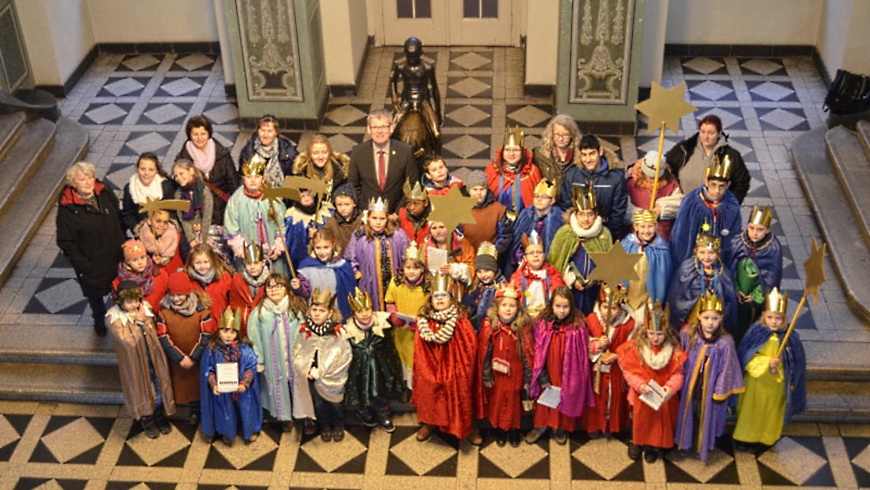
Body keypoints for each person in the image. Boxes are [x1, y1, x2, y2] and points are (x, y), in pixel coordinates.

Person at [56, 161, 126, 336]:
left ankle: (123, 321)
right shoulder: (68, 209)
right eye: (82, 179)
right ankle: (99, 321)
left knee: (120, 290)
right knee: (96, 295)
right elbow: (65, 241)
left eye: (90, 177)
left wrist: (123, 240)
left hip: (115, 253)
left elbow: (117, 214)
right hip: (91, 260)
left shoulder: (104, 191)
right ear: (74, 183)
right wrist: (83, 264)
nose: (88, 182)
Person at [675, 291, 744, 462]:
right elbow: (678, 355)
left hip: (710, 386)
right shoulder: (688, 334)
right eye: (706, 318)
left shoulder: (725, 342)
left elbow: (728, 368)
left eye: (714, 318)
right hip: (690, 384)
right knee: (687, 413)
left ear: (721, 319)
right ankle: (684, 443)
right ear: (698, 316)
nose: (710, 323)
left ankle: (702, 445)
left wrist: (720, 390)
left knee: (706, 416)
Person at [733, 288, 806, 449]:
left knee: (771, 412)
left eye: (778, 318)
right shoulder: (755, 332)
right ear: (764, 316)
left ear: (784, 319)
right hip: (756, 383)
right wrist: (766, 363)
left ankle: (766, 439)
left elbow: (795, 363)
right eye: (770, 317)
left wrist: (780, 367)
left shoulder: (790, 337)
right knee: (752, 410)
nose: (774, 322)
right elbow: (745, 356)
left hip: (776, 385)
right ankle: (745, 438)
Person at [413, 273, 481, 445]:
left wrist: (460, 370)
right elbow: (420, 350)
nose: (440, 299)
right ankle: (430, 423)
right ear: (431, 300)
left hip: (456, 367)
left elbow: (469, 346)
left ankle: (466, 426)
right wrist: (429, 371)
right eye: (436, 297)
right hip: (431, 367)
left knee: (459, 391)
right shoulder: (424, 322)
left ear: (451, 299)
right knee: (430, 391)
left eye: (444, 296)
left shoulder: (459, 320)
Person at [617, 301, 686, 463]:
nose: (655, 338)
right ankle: (637, 442)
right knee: (639, 420)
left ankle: (652, 446)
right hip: (641, 394)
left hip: (662, 397)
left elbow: (678, 374)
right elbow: (628, 372)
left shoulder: (673, 350)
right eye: (652, 333)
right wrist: (639, 385)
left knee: (656, 423)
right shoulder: (635, 348)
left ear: (666, 333)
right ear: (645, 332)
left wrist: (670, 389)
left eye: (660, 334)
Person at [526, 286, 595, 445]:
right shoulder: (542, 322)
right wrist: (542, 373)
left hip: (568, 370)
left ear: (571, 306)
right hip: (548, 368)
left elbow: (582, 354)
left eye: (565, 307)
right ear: (552, 305)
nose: (562, 311)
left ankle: (559, 427)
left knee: (564, 396)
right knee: (545, 395)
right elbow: (536, 349)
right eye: (558, 306)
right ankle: (540, 426)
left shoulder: (578, 326)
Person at [107, 280, 176, 438]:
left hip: (152, 358)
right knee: (144, 389)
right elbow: (128, 342)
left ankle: (159, 413)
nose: (133, 305)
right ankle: (148, 418)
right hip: (136, 363)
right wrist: (138, 322)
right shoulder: (115, 319)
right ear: (120, 302)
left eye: (136, 301)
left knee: (158, 387)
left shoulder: (146, 310)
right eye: (129, 302)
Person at [247, 274, 308, 432]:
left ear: (286, 288)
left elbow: (306, 332)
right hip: (274, 358)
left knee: (299, 385)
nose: (273, 290)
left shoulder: (297, 308)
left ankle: (304, 416)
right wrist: (259, 359)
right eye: (270, 287)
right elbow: (254, 337)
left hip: (294, 356)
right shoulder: (259, 313)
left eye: (278, 286)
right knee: (278, 386)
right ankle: (285, 416)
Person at [156, 272, 217, 427]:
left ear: (187, 293)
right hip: (178, 359)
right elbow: (163, 336)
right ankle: (190, 409)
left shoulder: (201, 310)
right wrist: (180, 357)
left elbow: (207, 334)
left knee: (198, 385)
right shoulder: (163, 312)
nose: (176, 299)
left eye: (180, 295)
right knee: (183, 387)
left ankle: (200, 410)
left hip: (197, 357)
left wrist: (193, 357)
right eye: (173, 295)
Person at [477, 284, 534, 447]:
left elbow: (527, 354)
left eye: (512, 306)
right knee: (498, 402)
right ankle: (500, 429)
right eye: (504, 305)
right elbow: (485, 353)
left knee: (514, 404)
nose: (508, 309)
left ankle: (514, 429)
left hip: (516, 373)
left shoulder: (522, 328)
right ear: (496, 307)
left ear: (518, 309)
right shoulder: (490, 327)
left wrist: (528, 378)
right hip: (497, 376)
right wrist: (486, 374)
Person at [292, 288, 353, 442]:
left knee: (336, 405)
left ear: (330, 313)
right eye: (314, 309)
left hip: (333, 378)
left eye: (322, 310)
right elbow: (297, 351)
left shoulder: (338, 333)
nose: (317, 314)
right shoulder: (305, 330)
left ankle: (338, 425)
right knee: (319, 405)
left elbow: (344, 356)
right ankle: (325, 426)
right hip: (311, 377)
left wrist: (323, 371)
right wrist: (303, 368)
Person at [344, 287, 405, 433]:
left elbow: (390, 347)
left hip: (380, 366)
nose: (364, 314)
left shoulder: (382, 323)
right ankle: (363, 410)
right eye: (359, 311)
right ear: (354, 314)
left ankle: (382, 411)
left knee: (379, 389)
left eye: (367, 310)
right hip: (359, 368)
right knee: (361, 388)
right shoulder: (348, 330)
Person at [199, 307, 263, 446]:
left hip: (241, 388)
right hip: (223, 390)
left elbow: (251, 367)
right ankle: (227, 431)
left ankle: (249, 429)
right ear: (218, 331)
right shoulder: (212, 350)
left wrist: (245, 383)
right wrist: (213, 384)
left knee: (246, 407)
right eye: (225, 331)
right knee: (225, 409)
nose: (228, 335)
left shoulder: (244, 348)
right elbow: (208, 370)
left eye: (233, 332)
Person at [548, 181, 612, 314]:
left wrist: (597, 277)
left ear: (596, 215)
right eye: (582, 214)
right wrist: (572, 277)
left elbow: (609, 263)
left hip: (595, 289)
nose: (586, 219)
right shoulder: (565, 233)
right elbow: (557, 261)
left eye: (590, 214)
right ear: (575, 215)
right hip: (570, 288)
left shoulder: (604, 234)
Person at [669, 155, 742, 266]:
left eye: (721, 186)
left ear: (728, 185)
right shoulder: (690, 203)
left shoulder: (732, 206)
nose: (717, 191)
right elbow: (681, 236)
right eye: (713, 185)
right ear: (706, 181)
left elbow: (734, 238)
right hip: (693, 261)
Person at [582, 284, 633, 438]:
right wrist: (597, 345)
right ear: (600, 305)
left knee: (613, 397)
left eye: (614, 309)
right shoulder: (591, 319)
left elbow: (632, 344)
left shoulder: (628, 323)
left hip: (616, 370)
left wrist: (617, 355)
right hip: (596, 370)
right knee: (596, 397)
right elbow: (583, 341)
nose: (609, 312)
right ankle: (595, 424)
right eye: (605, 307)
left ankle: (611, 424)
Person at [726, 205, 783, 344]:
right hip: (736, 294)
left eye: (760, 230)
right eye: (752, 228)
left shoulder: (773, 247)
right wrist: (736, 288)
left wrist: (757, 295)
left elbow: (772, 277)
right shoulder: (737, 241)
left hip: (755, 297)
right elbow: (729, 267)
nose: (755, 233)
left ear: (767, 230)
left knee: (750, 325)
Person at [224, 154, 288, 276]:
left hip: (272, 252)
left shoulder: (274, 199)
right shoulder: (236, 201)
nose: (253, 180)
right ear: (243, 178)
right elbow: (231, 229)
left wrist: (278, 247)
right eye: (249, 176)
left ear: (263, 178)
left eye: (257, 176)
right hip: (247, 257)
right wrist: (245, 251)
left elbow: (282, 225)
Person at [665, 114, 751, 204]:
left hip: (713, 210)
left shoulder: (731, 156)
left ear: (719, 133)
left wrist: (730, 204)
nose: (706, 137)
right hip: (683, 205)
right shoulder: (684, 149)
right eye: (702, 132)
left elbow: (742, 183)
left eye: (711, 133)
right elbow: (667, 167)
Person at [347, 109, 419, 214]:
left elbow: (412, 185)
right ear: (368, 129)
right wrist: (368, 212)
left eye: (384, 127)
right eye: (375, 127)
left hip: (396, 215)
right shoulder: (358, 152)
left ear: (392, 128)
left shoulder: (405, 151)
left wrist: (397, 213)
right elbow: (353, 186)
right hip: (368, 215)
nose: (379, 131)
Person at [345, 197, 410, 310]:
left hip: (394, 281)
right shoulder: (359, 236)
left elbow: (408, 255)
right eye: (374, 218)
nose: (378, 222)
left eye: (382, 218)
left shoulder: (398, 235)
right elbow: (350, 258)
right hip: (370, 282)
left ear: (387, 219)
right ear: (368, 218)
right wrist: (358, 274)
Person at [557, 136, 627, 240]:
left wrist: (608, 236)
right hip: (576, 233)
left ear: (600, 151)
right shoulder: (572, 176)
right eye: (584, 155)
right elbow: (566, 206)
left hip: (604, 233)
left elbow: (618, 212)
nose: (588, 159)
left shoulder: (615, 178)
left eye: (592, 154)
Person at [384, 242, 431, 396]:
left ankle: (418, 389)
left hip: (421, 331)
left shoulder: (429, 286)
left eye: (416, 268)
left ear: (422, 269)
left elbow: (432, 306)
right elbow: (390, 301)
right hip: (401, 331)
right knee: (403, 358)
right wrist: (392, 315)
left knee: (418, 360)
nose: (411, 272)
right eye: (408, 268)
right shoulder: (395, 283)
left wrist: (424, 321)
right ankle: (406, 387)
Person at [667, 231, 738, 332]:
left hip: (712, 318)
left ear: (718, 253)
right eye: (702, 252)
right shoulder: (687, 268)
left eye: (711, 253)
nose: (707, 257)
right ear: (695, 251)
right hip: (691, 316)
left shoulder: (724, 272)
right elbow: (676, 295)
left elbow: (729, 300)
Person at [177, 115, 239, 225]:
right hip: (200, 208)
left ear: (209, 134)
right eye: (195, 134)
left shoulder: (222, 154)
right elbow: (181, 187)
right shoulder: (183, 160)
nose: (199, 138)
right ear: (189, 135)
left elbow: (233, 181)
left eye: (203, 133)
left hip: (222, 206)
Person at [389, 37, 442, 154]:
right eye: (409, 56)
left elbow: (435, 90)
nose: (412, 59)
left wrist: (438, 112)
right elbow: (393, 81)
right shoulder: (401, 67)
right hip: (407, 101)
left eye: (414, 56)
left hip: (423, 101)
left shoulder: (427, 68)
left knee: (436, 132)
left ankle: (437, 155)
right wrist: (394, 99)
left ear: (420, 54)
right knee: (391, 131)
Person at [620, 209, 672, 323]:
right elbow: (618, 270)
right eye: (642, 227)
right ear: (636, 226)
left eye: (650, 226)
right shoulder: (626, 245)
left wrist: (654, 299)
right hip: (627, 297)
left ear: (656, 226)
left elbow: (663, 278)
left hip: (647, 299)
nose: (647, 231)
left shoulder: (662, 249)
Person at [508, 179, 564, 277]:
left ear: (552, 200)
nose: (539, 200)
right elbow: (516, 242)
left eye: (544, 197)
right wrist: (520, 258)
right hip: (525, 264)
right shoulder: (526, 214)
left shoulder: (559, 217)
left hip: (549, 267)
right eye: (536, 196)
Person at [297, 228, 356, 320]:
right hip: (316, 315)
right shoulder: (306, 267)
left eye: (326, 247)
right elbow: (305, 294)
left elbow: (350, 292)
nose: (322, 252)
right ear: (313, 247)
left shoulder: (342, 265)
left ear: (333, 245)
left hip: (338, 314)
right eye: (318, 248)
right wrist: (298, 287)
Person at [624, 150, 683, 241]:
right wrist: (642, 215)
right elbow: (622, 205)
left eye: (654, 177)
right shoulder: (630, 182)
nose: (650, 179)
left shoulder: (671, 184)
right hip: (636, 236)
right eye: (648, 176)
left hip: (662, 237)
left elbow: (680, 203)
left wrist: (661, 209)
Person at [485, 126, 542, 214]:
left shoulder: (533, 172)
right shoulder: (492, 170)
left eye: (516, 150)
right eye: (507, 150)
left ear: (522, 152)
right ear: (502, 152)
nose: (511, 154)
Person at [511, 231, 566, 318]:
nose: (536, 255)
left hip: (547, 318)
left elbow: (560, 297)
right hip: (525, 318)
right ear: (525, 258)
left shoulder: (553, 274)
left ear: (544, 256)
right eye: (531, 253)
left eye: (539, 252)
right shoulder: (518, 277)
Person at [462, 170, 513, 263]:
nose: (478, 193)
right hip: (466, 259)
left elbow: (506, 236)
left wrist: (492, 252)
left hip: (491, 259)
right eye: (475, 189)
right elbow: (457, 237)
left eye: (482, 189)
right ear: (468, 190)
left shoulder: (498, 210)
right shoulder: (460, 210)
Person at [121, 152, 176, 235]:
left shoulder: (166, 187)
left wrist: (165, 227)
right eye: (142, 169)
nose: (146, 173)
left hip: (165, 231)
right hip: (142, 233)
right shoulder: (130, 188)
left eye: (151, 170)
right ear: (137, 169)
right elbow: (128, 214)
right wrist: (139, 229)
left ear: (157, 170)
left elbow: (173, 211)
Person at [238, 115, 299, 188]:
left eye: (270, 131)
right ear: (258, 131)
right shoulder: (248, 151)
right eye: (262, 130)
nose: (265, 135)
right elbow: (242, 176)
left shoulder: (287, 149)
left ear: (276, 132)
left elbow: (298, 172)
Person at [420, 220, 475, 299]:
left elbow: (472, 268)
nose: (438, 231)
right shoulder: (425, 248)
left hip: (459, 293)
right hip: (435, 294)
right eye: (434, 228)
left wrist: (454, 269)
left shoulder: (463, 244)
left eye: (442, 227)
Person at [112, 239, 169, 311]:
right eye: (135, 260)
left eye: (142, 258)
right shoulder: (118, 284)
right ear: (128, 262)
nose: (140, 262)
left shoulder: (160, 274)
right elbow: (118, 309)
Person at [534, 114, 583, 199]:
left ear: (572, 135)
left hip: (571, 202)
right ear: (551, 134)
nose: (561, 139)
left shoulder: (580, 155)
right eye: (557, 134)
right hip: (548, 202)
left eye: (565, 135)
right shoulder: (540, 154)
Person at [462, 242, 507, 333]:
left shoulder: (502, 287)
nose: (483, 275)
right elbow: (466, 307)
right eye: (479, 272)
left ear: (494, 269)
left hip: (494, 330)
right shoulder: (475, 287)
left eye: (487, 271)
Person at [227, 242, 268, 339]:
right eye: (249, 263)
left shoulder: (270, 280)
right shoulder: (237, 279)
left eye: (256, 263)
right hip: (243, 325)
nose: (252, 267)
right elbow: (234, 303)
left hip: (264, 325)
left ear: (263, 262)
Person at [291, 133, 348, 203]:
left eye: (324, 152)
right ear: (309, 154)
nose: (320, 157)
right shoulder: (301, 173)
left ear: (329, 153)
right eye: (315, 153)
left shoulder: (340, 171)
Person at [184, 244, 233, 323]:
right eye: (198, 263)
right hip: (198, 327)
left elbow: (232, 301)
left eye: (206, 262)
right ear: (191, 263)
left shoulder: (225, 278)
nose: (202, 266)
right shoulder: (186, 280)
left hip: (220, 326)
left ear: (212, 261)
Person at [171, 158, 213, 251]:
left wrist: (203, 240)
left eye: (181, 174)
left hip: (205, 230)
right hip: (190, 231)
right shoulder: (178, 194)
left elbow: (207, 216)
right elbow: (183, 219)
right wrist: (191, 239)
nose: (178, 178)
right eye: (176, 176)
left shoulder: (203, 191)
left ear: (191, 171)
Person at [135, 208, 184, 273]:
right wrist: (153, 263)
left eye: (165, 222)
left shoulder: (177, 236)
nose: (162, 225)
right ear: (150, 221)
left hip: (176, 276)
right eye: (158, 221)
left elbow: (188, 260)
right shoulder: (140, 241)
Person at [323, 183, 363, 253]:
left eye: (347, 204)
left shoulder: (362, 220)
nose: (343, 208)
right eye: (339, 205)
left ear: (354, 203)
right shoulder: (331, 222)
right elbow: (325, 240)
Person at [397, 179, 432, 245]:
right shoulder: (401, 215)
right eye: (409, 203)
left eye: (416, 204)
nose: (411, 207)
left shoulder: (432, 218)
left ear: (426, 203)